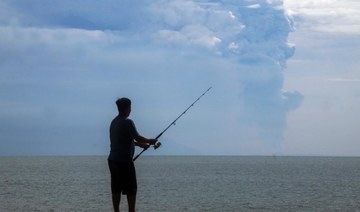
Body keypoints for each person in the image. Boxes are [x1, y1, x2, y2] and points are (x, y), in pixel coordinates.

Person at [108, 97, 157, 212]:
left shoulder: (114, 122)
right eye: (130, 107)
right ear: (127, 108)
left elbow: (124, 140)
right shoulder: (128, 122)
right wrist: (150, 141)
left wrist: (140, 145)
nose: (131, 110)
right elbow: (137, 137)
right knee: (131, 189)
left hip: (112, 160)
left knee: (116, 188)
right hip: (124, 161)